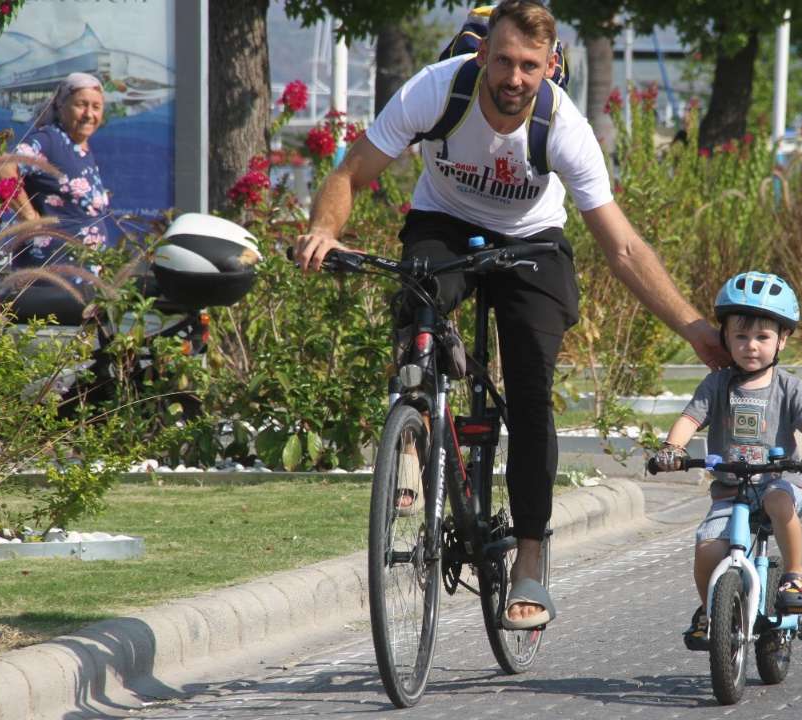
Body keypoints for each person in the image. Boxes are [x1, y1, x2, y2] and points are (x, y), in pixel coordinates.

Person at [293, 0, 728, 630]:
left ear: (550, 67)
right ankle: (414, 424)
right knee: (417, 299)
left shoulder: (563, 125)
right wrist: (323, 229)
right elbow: (353, 172)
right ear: (482, 56)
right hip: (444, 222)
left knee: (529, 391)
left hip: (531, 241)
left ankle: (529, 558)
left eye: (529, 65)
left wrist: (692, 327)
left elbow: (623, 246)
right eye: (503, 61)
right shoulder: (438, 90)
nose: (513, 78)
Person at [652, 271, 802, 651]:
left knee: (779, 501)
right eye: (741, 336)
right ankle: (709, 611)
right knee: (707, 547)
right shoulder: (716, 384)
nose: (751, 346)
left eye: (763, 337)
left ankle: (794, 575)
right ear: (725, 339)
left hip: (778, 481)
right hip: (731, 488)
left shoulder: (789, 387)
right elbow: (690, 419)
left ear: (782, 339)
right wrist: (673, 448)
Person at [0, 72, 113, 267]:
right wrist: (28, 216)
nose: (89, 114)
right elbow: (3, 168)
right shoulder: (50, 140)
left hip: (82, 278)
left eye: (96, 107)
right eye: (81, 105)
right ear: (61, 106)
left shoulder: (80, 150)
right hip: (49, 277)